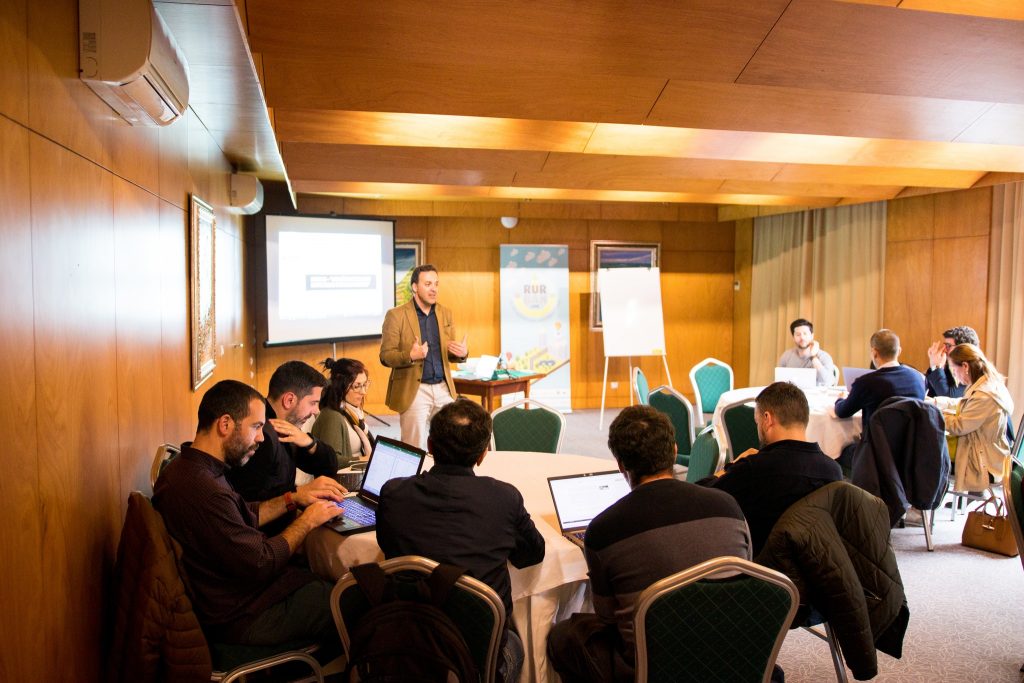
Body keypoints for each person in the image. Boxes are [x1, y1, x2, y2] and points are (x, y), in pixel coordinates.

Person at [548, 406, 751, 683]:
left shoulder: (604, 530)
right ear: (674, 450)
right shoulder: (728, 506)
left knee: (563, 637)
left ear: (621, 464)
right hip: (735, 654)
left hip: (652, 666)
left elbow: (607, 617)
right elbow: (748, 576)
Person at [153, 380, 344, 648]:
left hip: (240, 598)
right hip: (243, 615)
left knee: (331, 582)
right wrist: (307, 520)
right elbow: (262, 561)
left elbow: (241, 515)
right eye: (256, 427)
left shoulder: (191, 467)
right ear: (225, 424)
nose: (261, 438)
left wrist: (292, 499)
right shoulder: (204, 489)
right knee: (351, 596)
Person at [376, 399, 544, 683]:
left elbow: (387, 545)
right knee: (517, 642)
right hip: (475, 655)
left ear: (429, 446)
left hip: (407, 642)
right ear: (483, 454)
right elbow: (532, 555)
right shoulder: (503, 499)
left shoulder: (393, 493)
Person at [701, 382, 843, 555]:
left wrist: (731, 466)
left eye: (757, 421)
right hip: (817, 565)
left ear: (767, 419)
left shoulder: (754, 468)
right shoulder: (834, 471)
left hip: (760, 567)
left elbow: (701, 497)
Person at [226, 362, 340, 533]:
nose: (316, 411)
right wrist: (299, 495)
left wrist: (309, 442)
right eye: (313, 403)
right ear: (289, 400)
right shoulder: (261, 437)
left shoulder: (286, 429)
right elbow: (247, 509)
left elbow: (329, 465)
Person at [380, 264, 468, 450]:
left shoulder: (445, 313)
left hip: (444, 389)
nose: (434, 289)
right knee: (414, 447)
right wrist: (411, 356)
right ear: (414, 287)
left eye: (436, 284)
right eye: (428, 284)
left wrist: (461, 354)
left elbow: (449, 353)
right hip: (415, 390)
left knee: (451, 444)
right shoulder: (396, 315)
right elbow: (386, 356)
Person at [944, 344, 1015, 492]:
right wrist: (935, 403)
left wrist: (935, 415)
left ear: (965, 366)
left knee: (928, 460)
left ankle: (924, 504)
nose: (955, 375)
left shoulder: (983, 395)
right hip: (991, 454)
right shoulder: (991, 384)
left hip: (981, 462)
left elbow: (959, 426)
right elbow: (965, 405)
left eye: (954, 370)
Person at [834, 329, 926, 437]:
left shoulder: (866, 383)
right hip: (911, 444)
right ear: (899, 351)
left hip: (876, 445)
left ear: (874, 353)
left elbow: (842, 412)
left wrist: (840, 399)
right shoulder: (918, 378)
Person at [310, 357, 374, 468]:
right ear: (340, 386)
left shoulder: (351, 411)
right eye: (357, 386)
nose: (363, 392)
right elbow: (331, 462)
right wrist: (365, 460)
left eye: (364, 385)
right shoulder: (332, 417)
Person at [778, 318, 837, 386]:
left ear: (812, 336)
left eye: (805, 334)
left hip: (816, 392)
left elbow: (828, 382)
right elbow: (779, 381)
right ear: (793, 337)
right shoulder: (786, 356)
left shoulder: (824, 356)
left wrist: (813, 357)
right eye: (798, 334)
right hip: (793, 392)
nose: (802, 338)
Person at [925, 325, 980, 398]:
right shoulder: (947, 365)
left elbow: (948, 397)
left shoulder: (973, 369)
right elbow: (929, 391)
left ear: (962, 348)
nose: (944, 350)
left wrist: (936, 367)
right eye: (945, 345)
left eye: (948, 346)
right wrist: (934, 365)